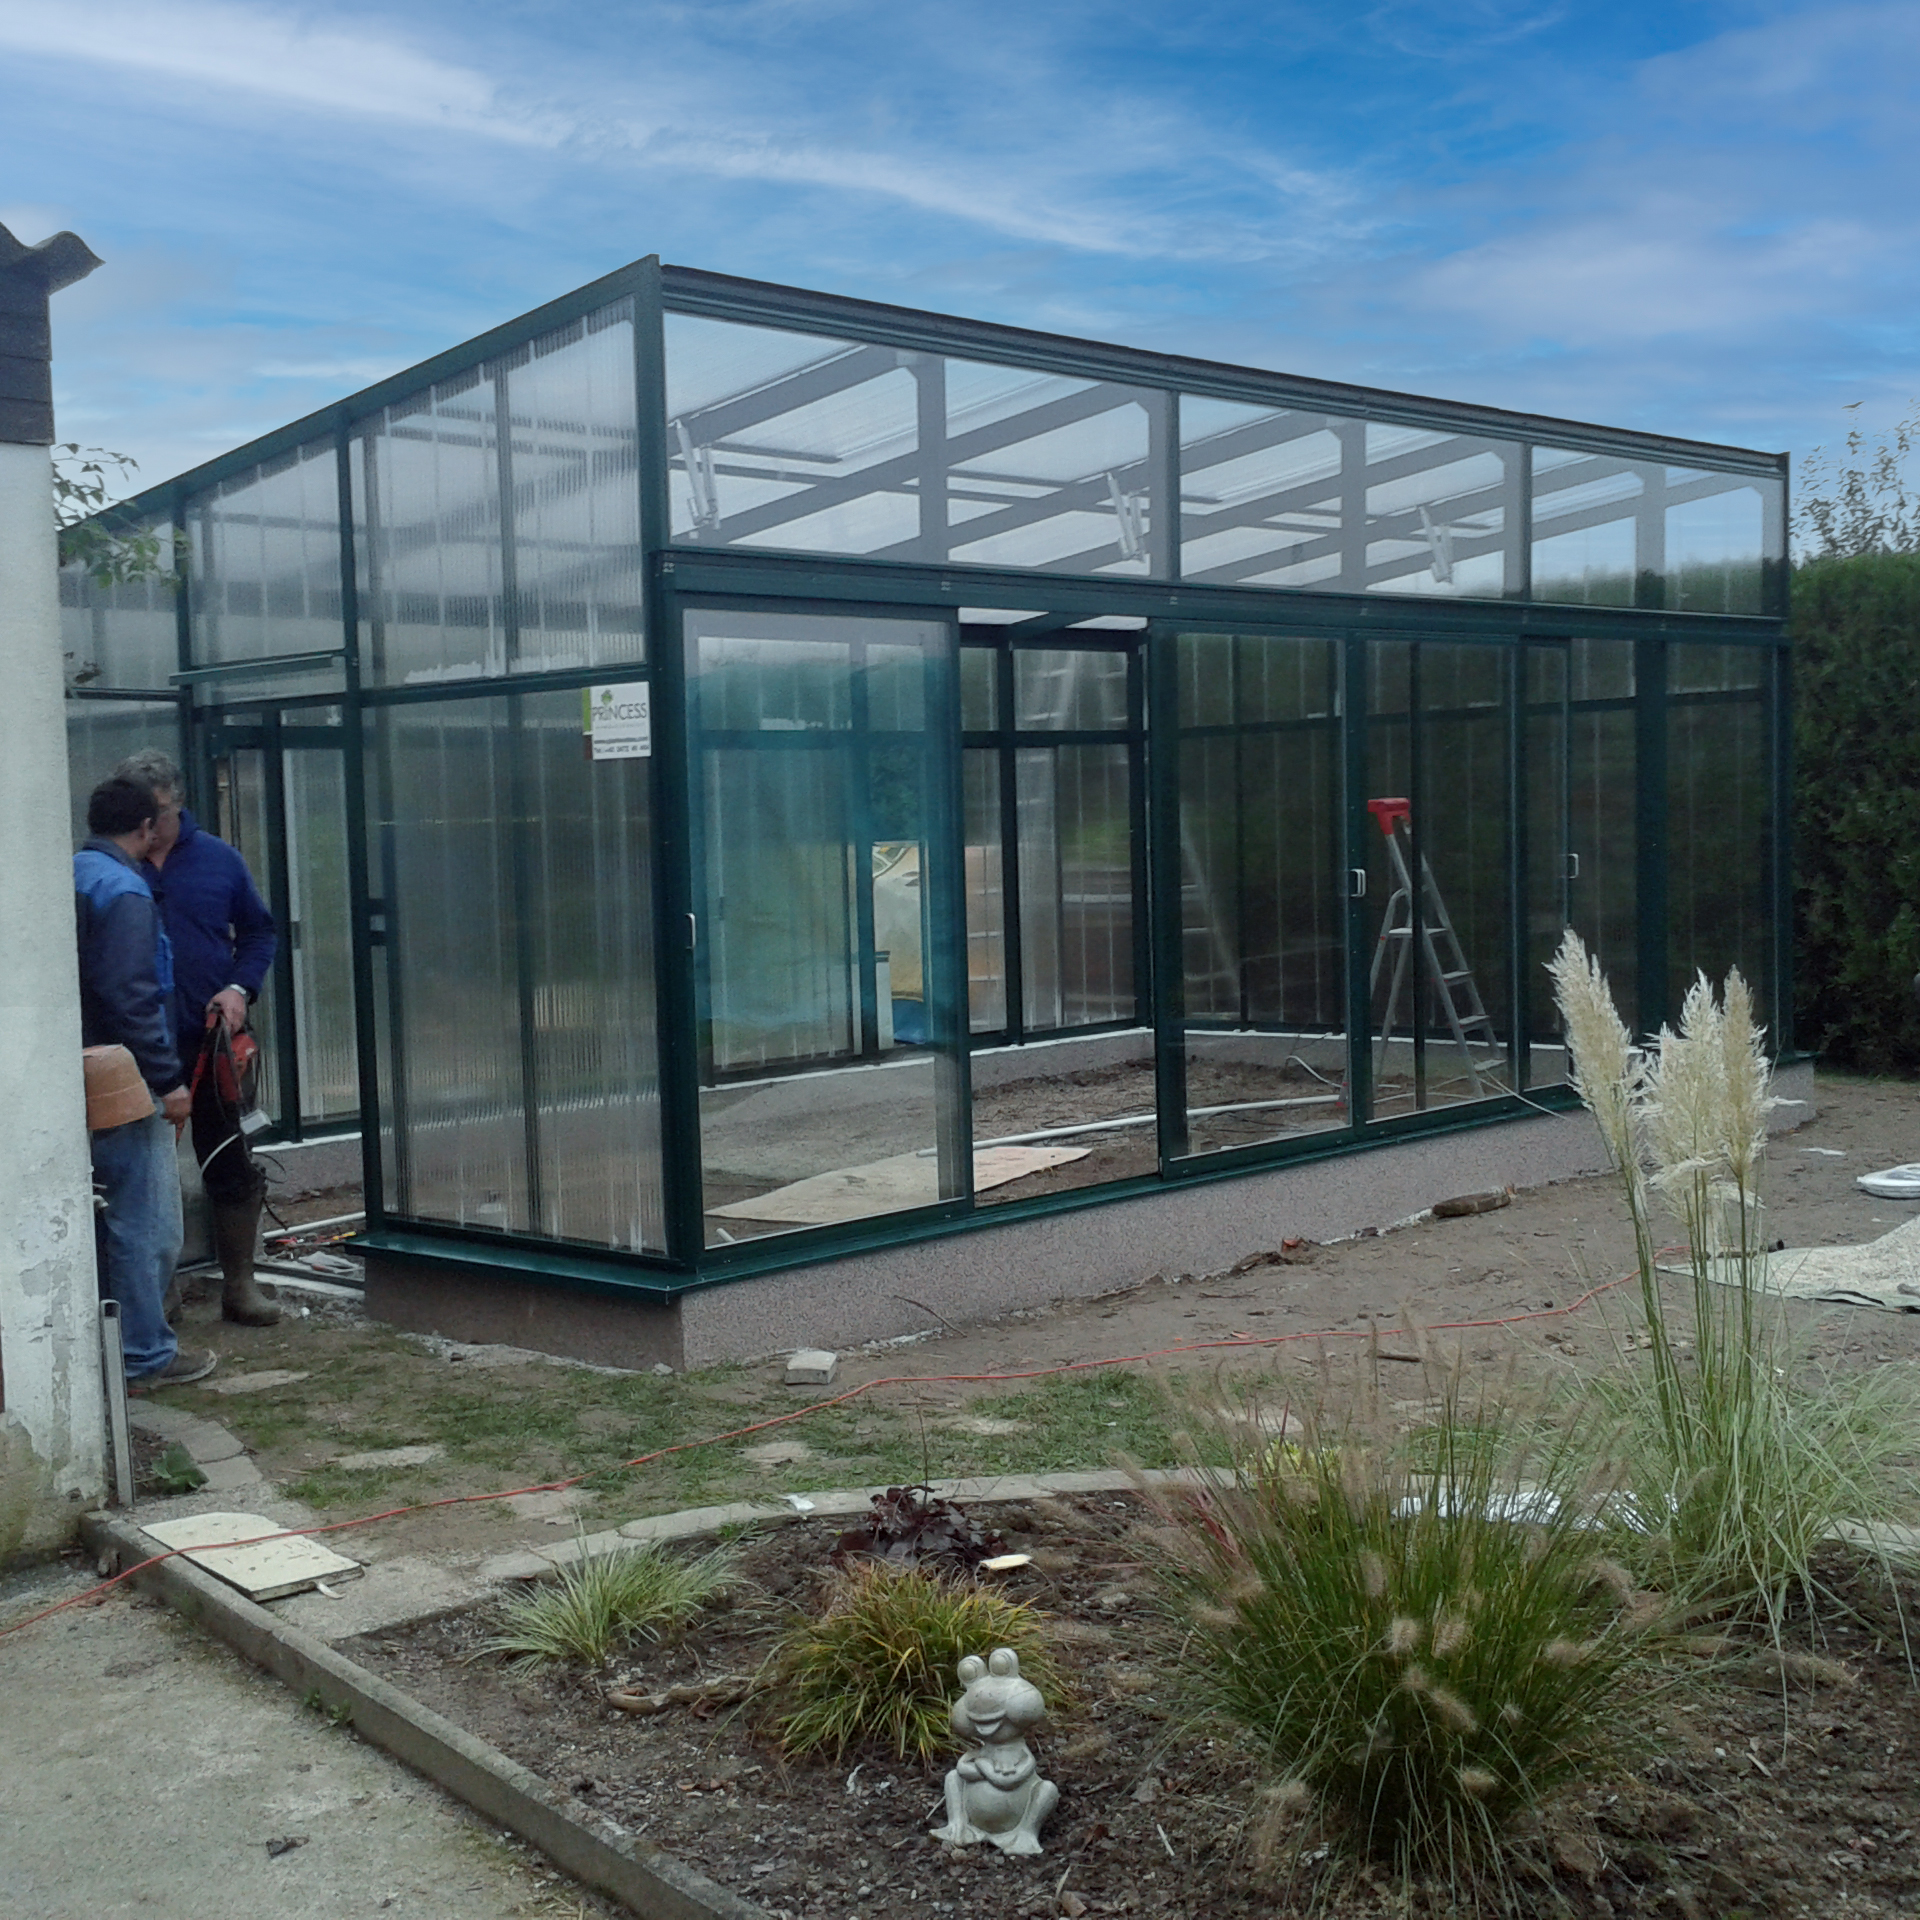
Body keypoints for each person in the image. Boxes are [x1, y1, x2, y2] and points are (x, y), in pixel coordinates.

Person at [114, 747, 281, 1326]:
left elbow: (259, 933)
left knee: (229, 1159)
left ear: (177, 804)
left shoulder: (220, 861)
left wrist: (240, 988)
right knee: (138, 1171)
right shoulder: (112, 868)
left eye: (157, 811)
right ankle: (156, 1299)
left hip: (212, 1041)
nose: (149, 824)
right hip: (130, 1048)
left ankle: (240, 1284)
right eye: (139, 812)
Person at [75, 775, 217, 1389]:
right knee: (146, 1222)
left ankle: (103, 1351)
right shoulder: (124, 891)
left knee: (99, 1219)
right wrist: (170, 1082)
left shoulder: (73, 873)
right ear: (147, 827)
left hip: (72, 1071)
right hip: (122, 1082)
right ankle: (145, 1356)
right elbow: (133, 998)